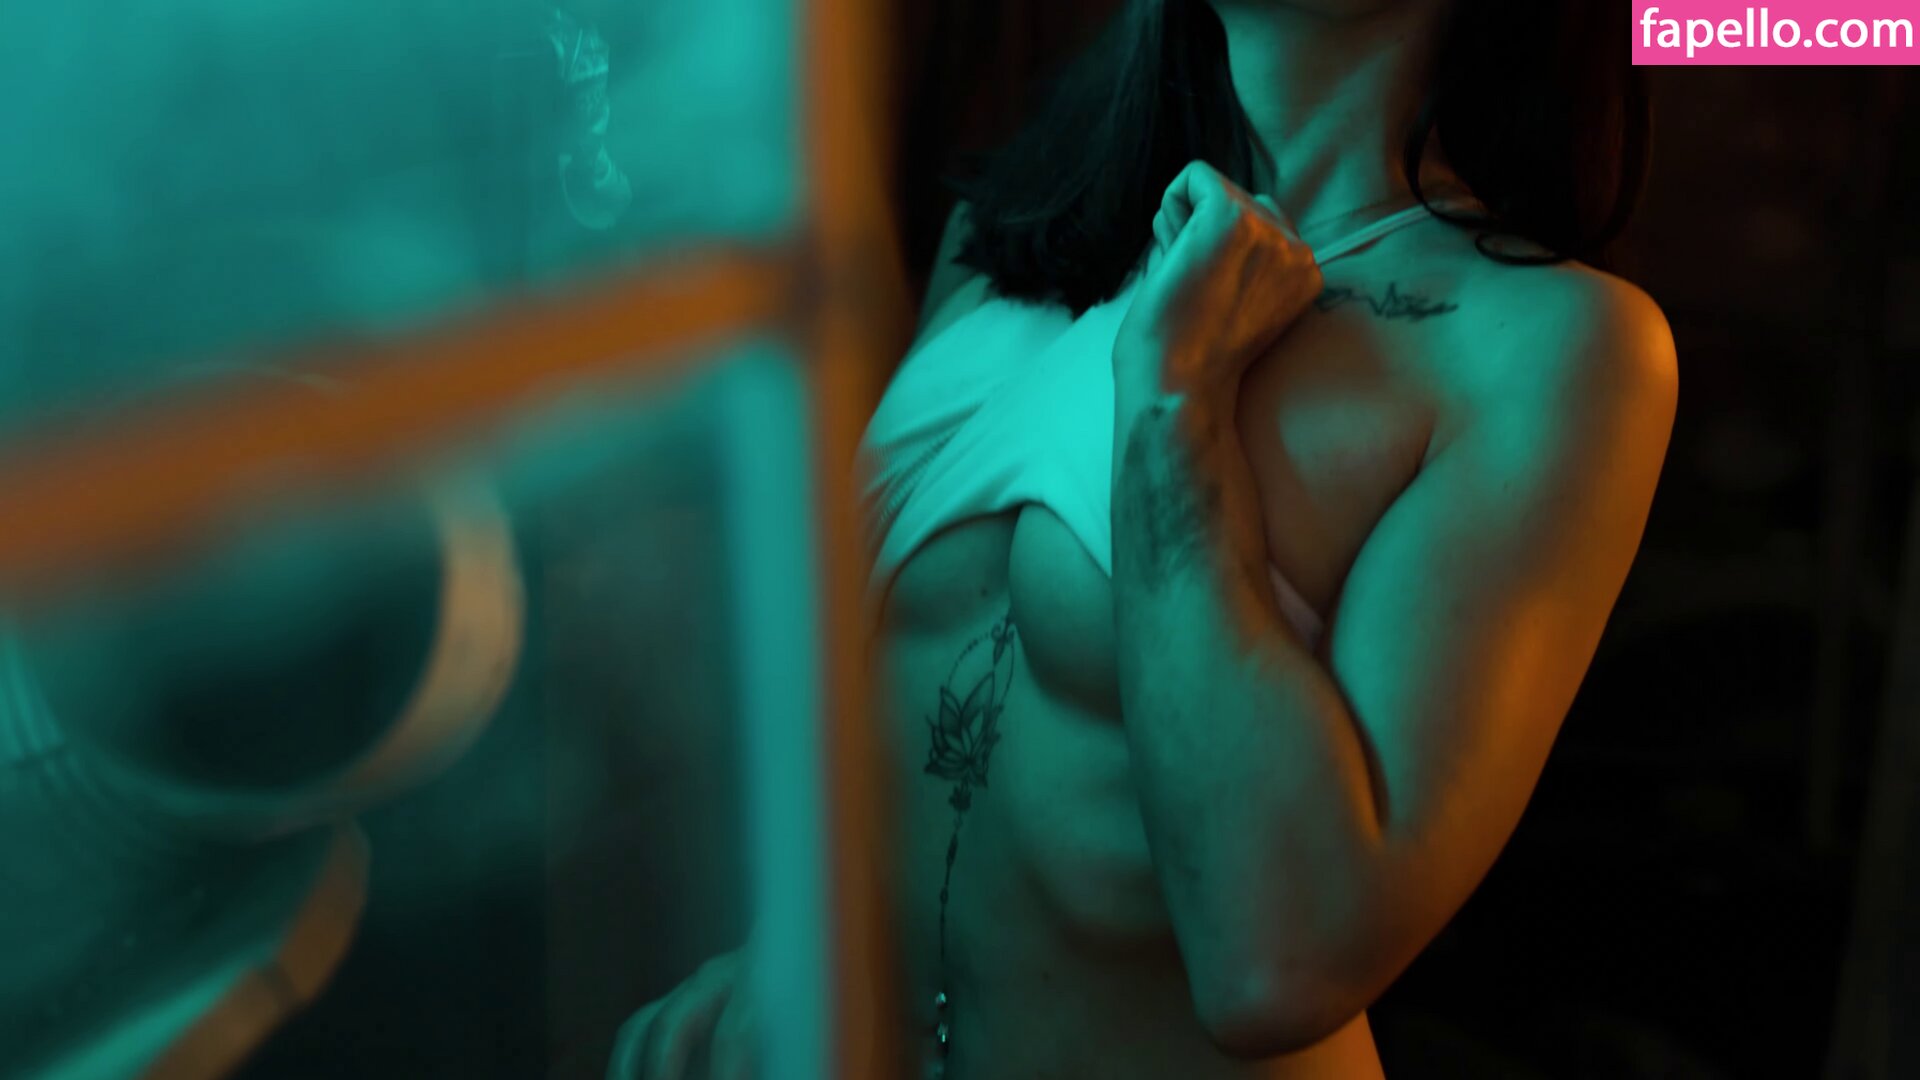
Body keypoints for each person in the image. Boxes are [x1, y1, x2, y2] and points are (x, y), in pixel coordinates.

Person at [612, 0, 1677, 1076]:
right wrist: (789, 952)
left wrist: (1173, 409)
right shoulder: (1009, 232)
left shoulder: (1550, 345)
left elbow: (1279, 966)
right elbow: (880, 692)